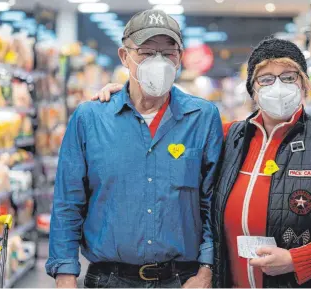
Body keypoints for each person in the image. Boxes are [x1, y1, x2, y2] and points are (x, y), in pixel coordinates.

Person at [94, 37, 311, 288]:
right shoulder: (230, 136)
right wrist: (135, 97)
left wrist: (295, 260)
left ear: (303, 84)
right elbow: (174, 142)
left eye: (289, 76)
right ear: (253, 88)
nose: (278, 86)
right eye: (266, 78)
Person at [46, 9, 223, 288]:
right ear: (124, 56)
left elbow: (213, 201)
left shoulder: (202, 118)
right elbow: (68, 202)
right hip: (109, 279)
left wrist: (207, 270)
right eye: (146, 52)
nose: (159, 61)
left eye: (168, 52)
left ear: (180, 57)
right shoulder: (90, 119)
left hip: (181, 279)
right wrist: (65, 275)